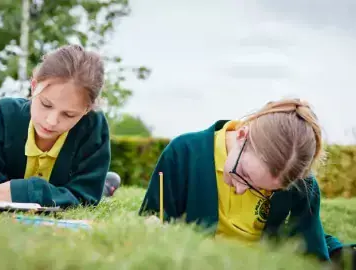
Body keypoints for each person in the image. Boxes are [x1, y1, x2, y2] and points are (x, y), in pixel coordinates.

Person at [139, 98, 355, 266]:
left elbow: (311, 252)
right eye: (243, 174)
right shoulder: (184, 152)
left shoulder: (302, 186)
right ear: (242, 134)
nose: (241, 190)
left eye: (262, 190)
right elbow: (151, 220)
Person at [0, 44, 113, 208]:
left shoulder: (93, 126)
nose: (51, 121)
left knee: (99, 189)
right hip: (58, 190)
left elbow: (85, 196)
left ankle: (106, 185)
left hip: (65, 184)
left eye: (68, 114)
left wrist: (28, 191)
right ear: (34, 86)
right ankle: (107, 183)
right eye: (45, 104)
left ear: (87, 109)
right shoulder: (2, 114)